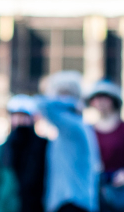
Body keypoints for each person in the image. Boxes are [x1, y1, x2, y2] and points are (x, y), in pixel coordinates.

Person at [36, 72, 101, 212]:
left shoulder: (74, 127)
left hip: (72, 203)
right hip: (71, 202)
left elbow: (41, 104)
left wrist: (72, 102)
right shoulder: (71, 128)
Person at [85, 81, 124, 212]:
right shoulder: (89, 130)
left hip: (120, 190)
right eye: (97, 98)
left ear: (113, 101)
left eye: (104, 98)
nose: (100, 102)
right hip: (96, 190)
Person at [0, 95, 47, 212]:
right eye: (16, 116)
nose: (19, 121)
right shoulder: (2, 150)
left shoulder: (42, 147)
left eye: (23, 116)